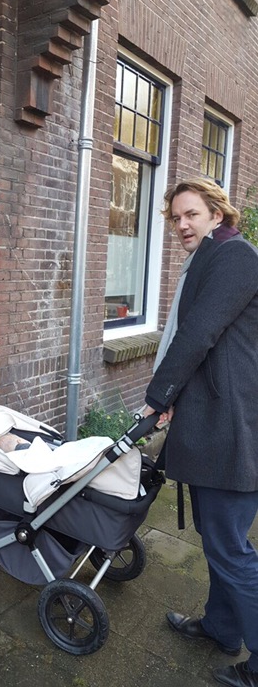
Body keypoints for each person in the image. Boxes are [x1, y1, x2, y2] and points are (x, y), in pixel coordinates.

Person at [143, 177, 258, 687]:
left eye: (191, 214)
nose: (182, 225)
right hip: (218, 424)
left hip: (231, 432)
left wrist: (158, 395)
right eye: (175, 218)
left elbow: (199, 332)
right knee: (219, 543)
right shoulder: (213, 257)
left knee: (230, 548)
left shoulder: (236, 257)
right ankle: (221, 628)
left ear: (217, 212)